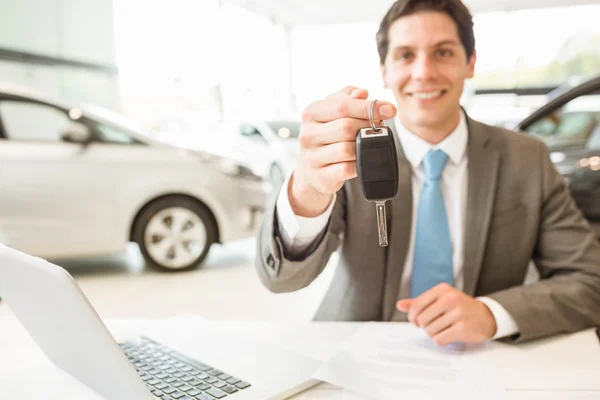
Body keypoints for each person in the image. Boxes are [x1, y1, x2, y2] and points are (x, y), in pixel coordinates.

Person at [255, 0, 600, 345]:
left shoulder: (527, 158)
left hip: (478, 357)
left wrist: (492, 313)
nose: (423, 73)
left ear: (471, 63)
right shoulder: (348, 154)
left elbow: (590, 281)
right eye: (405, 55)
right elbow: (280, 279)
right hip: (353, 353)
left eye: (443, 52)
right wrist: (307, 189)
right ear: (384, 70)